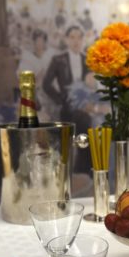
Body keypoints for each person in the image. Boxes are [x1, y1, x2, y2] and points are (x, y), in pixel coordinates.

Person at [42, 25, 91, 174]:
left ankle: (83, 168)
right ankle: (80, 168)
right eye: (72, 37)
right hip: (67, 108)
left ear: (83, 40)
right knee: (82, 120)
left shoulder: (88, 59)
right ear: (67, 40)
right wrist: (61, 99)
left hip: (87, 105)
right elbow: (46, 84)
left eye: (79, 37)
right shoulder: (58, 60)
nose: (76, 41)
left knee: (87, 119)